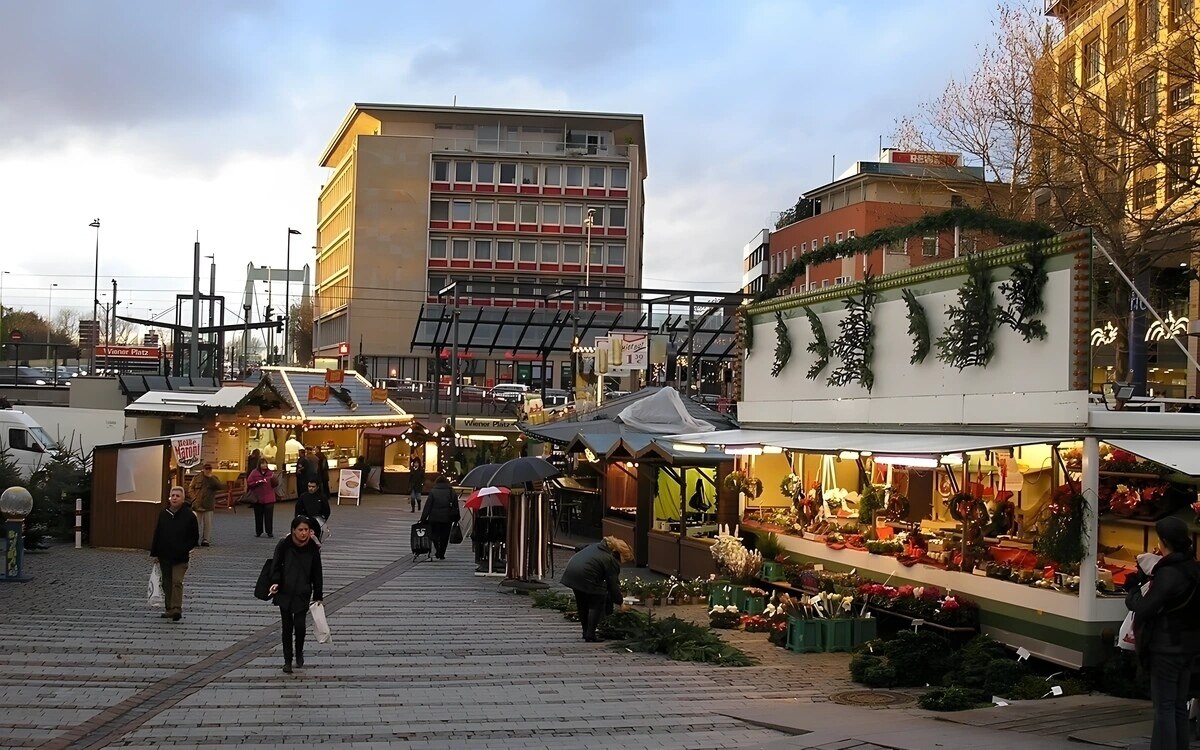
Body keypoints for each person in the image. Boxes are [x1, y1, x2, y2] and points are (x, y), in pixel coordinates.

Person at [1125, 516, 1200, 750]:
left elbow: (1145, 608)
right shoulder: (1194, 568)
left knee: (1165, 706)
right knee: (1179, 705)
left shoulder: (1169, 573)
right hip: (1190, 647)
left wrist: (1133, 592)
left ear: (1164, 541)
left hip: (1167, 646)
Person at [268, 516, 324, 673]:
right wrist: (275, 581)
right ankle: (287, 659)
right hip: (284, 591)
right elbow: (276, 565)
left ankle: (299, 651)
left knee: (299, 626)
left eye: (306, 530)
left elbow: (317, 572)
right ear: (293, 530)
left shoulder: (313, 548)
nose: (304, 533)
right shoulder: (284, 545)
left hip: (302, 592)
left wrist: (318, 594)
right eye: (300, 530)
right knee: (287, 627)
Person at [560, 536, 633, 642]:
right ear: (618, 553)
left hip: (572, 574)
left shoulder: (595, 546)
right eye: (624, 559)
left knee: (582, 604)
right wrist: (620, 602)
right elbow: (612, 585)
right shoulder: (610, 559)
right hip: (586, 575)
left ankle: (586, 632)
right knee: (597, 601)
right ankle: (590, 634)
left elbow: (578, 546)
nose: (623, 563)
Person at [149, 486, 199, 622]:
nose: (175, 498)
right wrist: (155, 553)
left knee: (176, 581)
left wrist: (186, 548)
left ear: (183, 498)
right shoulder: (164, 514)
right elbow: (158, 534)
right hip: (164, 555)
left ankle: (177, 608)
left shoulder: (189, 515)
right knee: (166, 582)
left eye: (178, 495)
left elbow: (195, 537)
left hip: (181, 556)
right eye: (173, 495)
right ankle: (169, 608)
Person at [420, 476, 460, 560]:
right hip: (447, 518)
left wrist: (423, 518)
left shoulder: (433, 491)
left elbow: (428, 506)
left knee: (434, 535)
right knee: (444, 537)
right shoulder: (451, 491)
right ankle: (442, 553)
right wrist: (456, 517)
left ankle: (437, 549)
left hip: (434, 518)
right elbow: (455, 506)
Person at [188, 463, 224, 546]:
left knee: (208, 524)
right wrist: (194, 499)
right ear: (203, 469)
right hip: (197, 504)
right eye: (206, 469)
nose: (208, 470)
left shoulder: (214, 478)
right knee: (196, 524)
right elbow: (191, 489)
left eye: (209, 469)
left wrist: (211, 478)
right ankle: (194, 540)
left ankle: (205, 540)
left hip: (208, 505)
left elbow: (220, 486)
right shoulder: (196, 478)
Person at [246, 457, 279, 538]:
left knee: (269, 516)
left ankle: (269, 532)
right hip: (258, 498)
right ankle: (258, 531)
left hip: (269, 498)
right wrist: (257, 482)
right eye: (263, 463)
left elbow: (275, 484)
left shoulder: (270, 473)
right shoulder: (254, 473)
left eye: (265, 463)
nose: (265, 465)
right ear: (259, 465)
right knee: (258, 516)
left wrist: (274, 479)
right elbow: (249, 483)